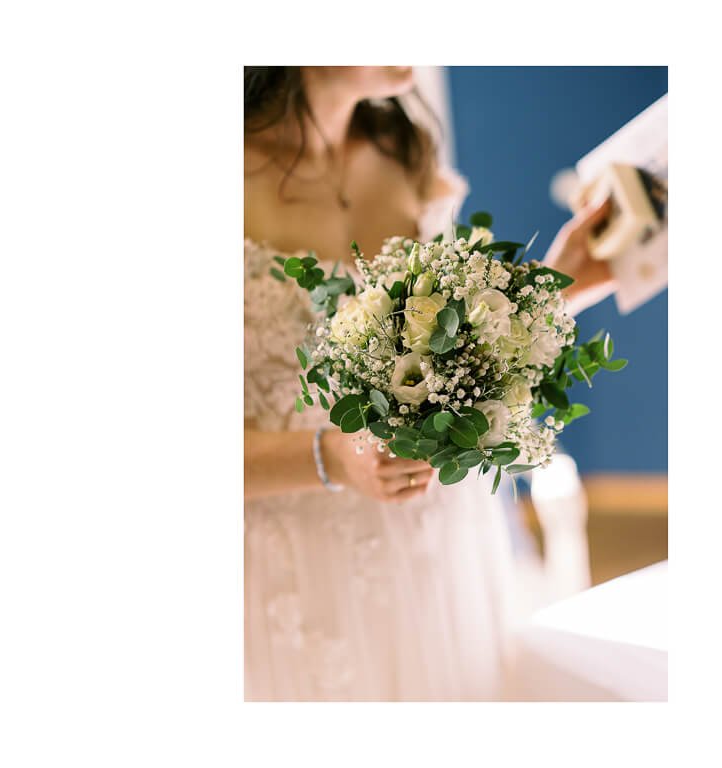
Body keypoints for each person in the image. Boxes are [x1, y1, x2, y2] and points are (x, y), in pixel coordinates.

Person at [242, 66, 612, 701]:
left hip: (441, 550)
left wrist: (557, 288)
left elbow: (444, 353)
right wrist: (330, 456)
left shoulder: (406, 149)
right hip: (302, 577)